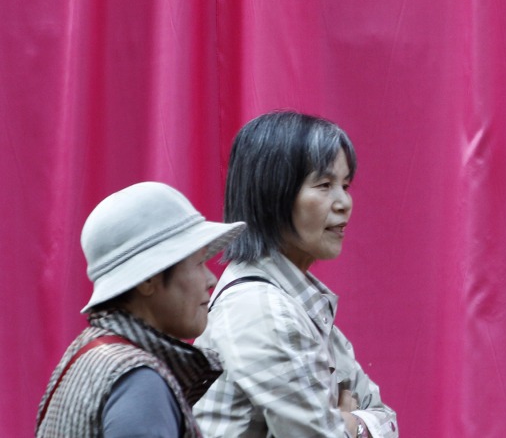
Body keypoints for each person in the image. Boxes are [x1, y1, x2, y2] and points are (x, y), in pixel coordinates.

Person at [195, 111, 397, 437]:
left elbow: (384, 415)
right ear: (271, 194)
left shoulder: (302, 302)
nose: (344, 202)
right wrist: (357, 426)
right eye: (324, 185)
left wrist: (353, 424)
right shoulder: (260, 308)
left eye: (345, 185)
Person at [36, 181, 245, 438]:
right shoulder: (140, 383)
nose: (211, 280)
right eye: (199, 263)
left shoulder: (88, 353)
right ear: (148, 279)